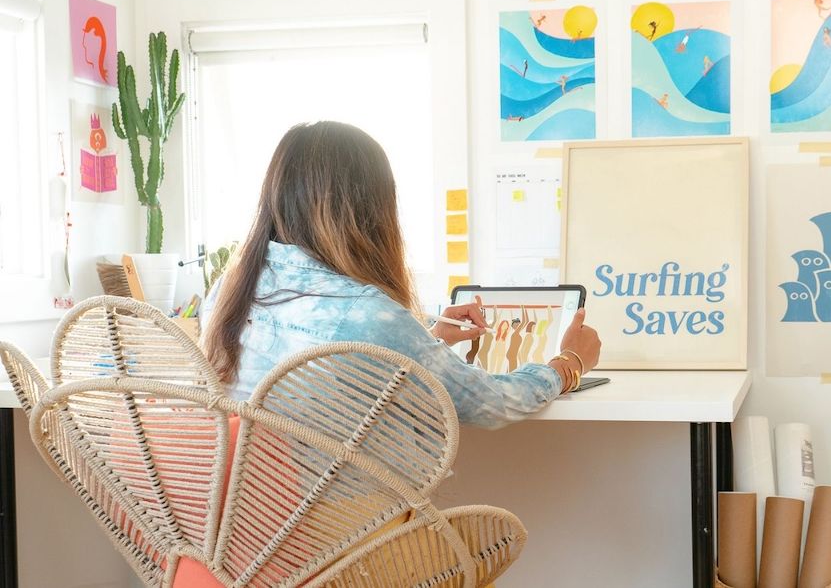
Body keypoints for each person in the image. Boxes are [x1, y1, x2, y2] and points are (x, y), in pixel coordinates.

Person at [200, 121, 602, 429]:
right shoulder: (370, 316)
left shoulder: (230, 289)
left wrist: (423, 334)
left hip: (247, 520)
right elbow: (492, 403)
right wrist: (567, 364)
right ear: (371, 208)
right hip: (346, 526)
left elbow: (332, 358)